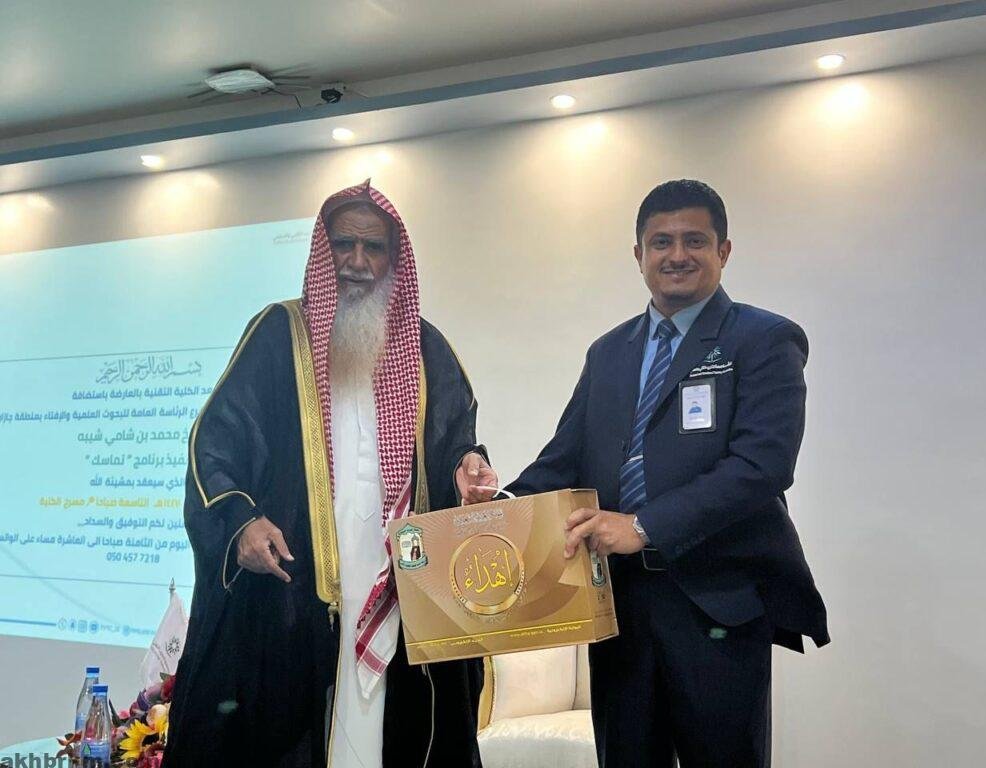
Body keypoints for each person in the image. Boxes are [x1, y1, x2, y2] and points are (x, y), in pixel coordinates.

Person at [165, 179, 498, 768]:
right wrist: (241, 521)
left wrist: (468, 468)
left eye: (374, 248)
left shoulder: (426, 350)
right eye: (345, 245)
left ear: (394, 259)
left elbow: (454, 443)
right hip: (295, 602)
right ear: (325, 250)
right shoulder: (277, 337)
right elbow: (214, 445)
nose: (358, 262)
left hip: (401, 595)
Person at [508, 179, 829, 767]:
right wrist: (493, 511)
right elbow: (564, 459)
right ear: (639, 254)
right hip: (618, 606)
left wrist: (643, 526)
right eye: (661, 242)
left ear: (723, 250)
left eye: (694, 241)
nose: (677, 255)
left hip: (716, 604)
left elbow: (762, 466)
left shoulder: (763, 339)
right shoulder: (608, 352)